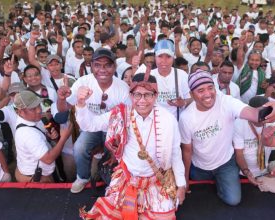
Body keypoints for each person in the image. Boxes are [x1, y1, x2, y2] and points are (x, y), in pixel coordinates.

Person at [76, 67, 186, 219]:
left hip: (156, 181)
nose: (142, 100)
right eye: (137, 94)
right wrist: (81, 103)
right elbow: (89, 125)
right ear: (131, 95)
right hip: (127, 180)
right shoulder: (121, 114)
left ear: (156, 96)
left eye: (148, 94)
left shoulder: (168, 119)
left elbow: (175, 153)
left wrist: (181, 185)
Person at [179, 70, 275, 206]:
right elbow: (187, 150)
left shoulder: (226, 102)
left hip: (225, 164)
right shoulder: (186, 117)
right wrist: (185, 178)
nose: (207, 94)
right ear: (191, 94)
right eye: (200, 90)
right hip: (199, 168)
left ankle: (222, 182)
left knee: (233, 200)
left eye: (210, 88)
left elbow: (253, 114)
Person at [56, 48, 130, 193]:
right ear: (91, 66)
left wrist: (116, 144)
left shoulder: (122, 88)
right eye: (98, 65)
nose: (102, 69)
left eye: (107, 65)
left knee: (115, 155)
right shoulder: (83, 82)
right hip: (91, 128)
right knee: (79, 147)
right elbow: (63, 109)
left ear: (114, 66)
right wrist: (61, 98)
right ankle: (83, 177)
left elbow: (126, 121)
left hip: (114, 130)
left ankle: (113, 182)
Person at [14, 90, 71, 183]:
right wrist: (64, 138)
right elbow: (48, 159)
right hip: (38, 179)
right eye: (33, 109)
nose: (39, 110)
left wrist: (48, 137)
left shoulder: (31, 121)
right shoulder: (27, 134)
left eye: (39, 105)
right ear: (20, 112)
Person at [234, 96, 275, 185]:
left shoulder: (274, 122)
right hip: (243, 172)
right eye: (258, 112)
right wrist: (247, 173)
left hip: (266, 170)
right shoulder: (239, 123)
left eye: (266, 112)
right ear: (249, 112)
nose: (262, 116)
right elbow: (239, 154)